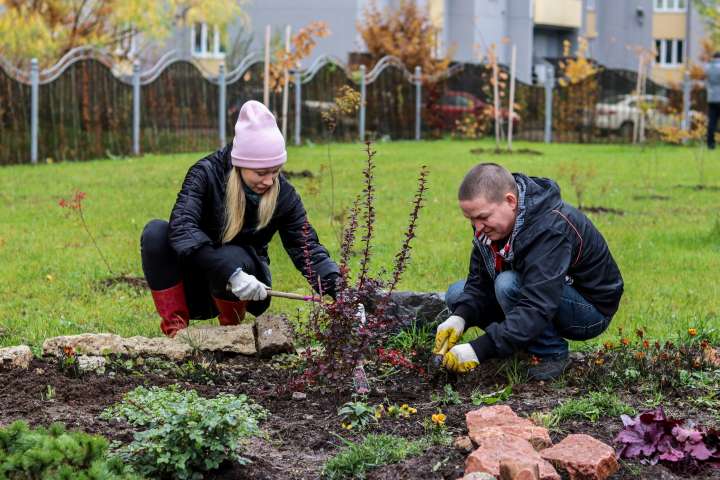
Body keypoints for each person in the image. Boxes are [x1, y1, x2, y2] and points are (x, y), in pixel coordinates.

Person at [140, 100, 339, 337]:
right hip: (198, 285)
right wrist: (230, 273)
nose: (269, 181)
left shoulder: (284, 196)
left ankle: (232, 335)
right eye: (261, 172)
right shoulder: (205, 174)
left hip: (248, 288)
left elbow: (307, 248)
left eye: (275, 171)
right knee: (156, 233)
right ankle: (176, 333)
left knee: (231, 253)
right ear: (239, 165)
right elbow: (182, 227)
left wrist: (342, 291)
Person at [434, 163, 623, 380]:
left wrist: (480, 348)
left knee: (508, 284)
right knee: (458, 295)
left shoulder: (549, 228)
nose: (477, 227)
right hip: (539, 295)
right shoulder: (491, 226)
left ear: (510, 201)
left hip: (589, 310)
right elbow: (479, 282)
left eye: (483, 217)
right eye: (472, 219)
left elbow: (538, 304)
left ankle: (550, 353)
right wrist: (460, 317)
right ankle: (520, 342)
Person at [705, 52, 720, 149]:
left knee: (712, 122)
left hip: (711, 98)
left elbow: (706, 81)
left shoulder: (708, 67)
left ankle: (710, 143)